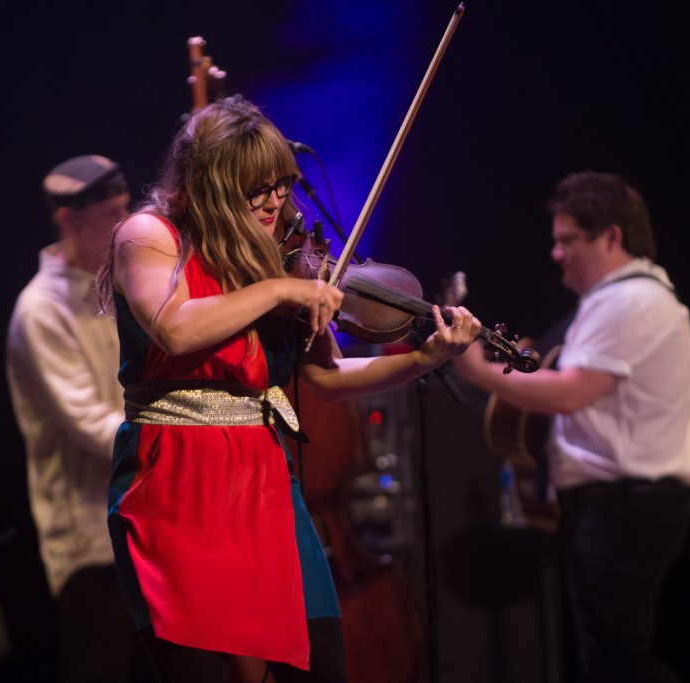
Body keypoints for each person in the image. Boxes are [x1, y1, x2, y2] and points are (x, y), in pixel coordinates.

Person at [93, 95, 482, 683]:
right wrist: (280, 290)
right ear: (214, 185)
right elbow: (175, 328)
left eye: (282, 184)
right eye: (258, 189)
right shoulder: (149, 235)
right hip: (174, 481)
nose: (276, 201)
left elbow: (327, 378)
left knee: (320, 664)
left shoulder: (279, 258)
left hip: (264, 483)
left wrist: (424, 359)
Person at [452, 170, 690, 682]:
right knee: (612, 661)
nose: (556, 253)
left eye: (568, 240)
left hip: (626, 507)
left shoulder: (629, 301)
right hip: (620, 505)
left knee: (621, 664)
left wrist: (478, 372)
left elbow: (570, 392)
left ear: (611, 236)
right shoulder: (626, 298)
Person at [6, 154, 155, 683]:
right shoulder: (40, 310)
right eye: (112, 215)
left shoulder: (128, 283)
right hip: (92, 539)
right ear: (69, 222)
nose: (127, 225)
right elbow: (90, 422)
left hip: (153, 523)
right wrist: (177, 435)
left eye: (126, 209)